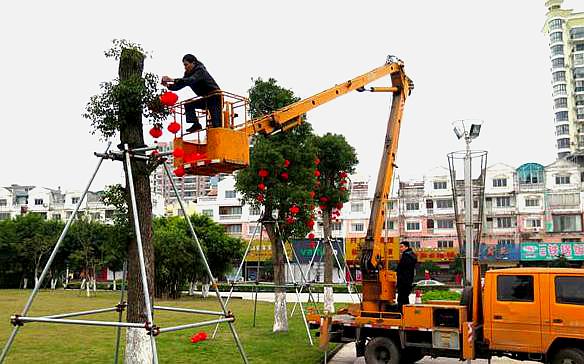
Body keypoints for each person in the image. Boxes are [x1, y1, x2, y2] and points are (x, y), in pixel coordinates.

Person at [162, 54, 222, 132]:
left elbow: (191, 80)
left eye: (186, 65)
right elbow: (180, 85)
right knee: (188, 104)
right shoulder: (187, 74)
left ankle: (219, 133)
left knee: (216, 123)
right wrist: (168, 85)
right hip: (206, 98)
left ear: (193, 63)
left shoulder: (200, 71)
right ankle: (196, 124)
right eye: (184, 65)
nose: (185, 67)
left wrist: (172, 79)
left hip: (215, 97)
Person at [396, 241, 417, 312]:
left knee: (401, 299)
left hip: (403, 282)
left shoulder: (406, 256)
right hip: (408, 281)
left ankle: (401, 314)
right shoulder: (411, 255)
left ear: (406, 247)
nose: (400, 248)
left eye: (402, 247)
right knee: (405, 298)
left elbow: (402, 269)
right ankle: (406, 314)